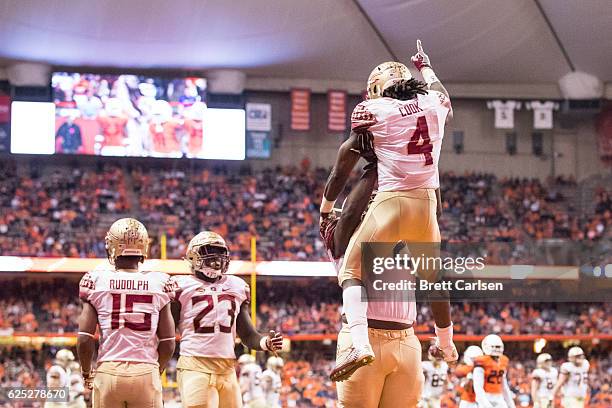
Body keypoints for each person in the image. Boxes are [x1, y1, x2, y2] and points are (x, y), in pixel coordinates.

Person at [320, 39, 455, 388]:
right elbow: (440, 93)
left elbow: (341, 169)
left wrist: (329, 202)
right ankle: (448, 343)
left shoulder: (375, 112)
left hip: (393, 199)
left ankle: (359, 345)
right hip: (426, 201)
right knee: (435, 278)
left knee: (351, 266)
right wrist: (425, 65)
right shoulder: (434, 102)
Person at [171, 231, 283, 408]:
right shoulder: (179, 286)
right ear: (193, 256)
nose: (216, 258)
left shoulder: (236, 285)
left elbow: (247, 333)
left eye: (220, 252)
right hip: (195, 364)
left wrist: (264, 343)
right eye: (209, 251)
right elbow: (167, 332)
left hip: (228, 368)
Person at [77, 218, 176, 408]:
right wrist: (158, 369)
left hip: (109, 370)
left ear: (112, 246)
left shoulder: (97, 279)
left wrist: (86, 372)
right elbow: (168, 343)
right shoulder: (160, 282)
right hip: (145, 370)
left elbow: (84, 337)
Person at [472, 335, 515, 408]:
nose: (497, 349)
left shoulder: (503, 360)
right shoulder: (481, 362)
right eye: (494, 347)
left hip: (498, 396)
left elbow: (504, 386)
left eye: (498, 347)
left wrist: (511, 404)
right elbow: (478, 387)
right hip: (486, 396)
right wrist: (485, 404)